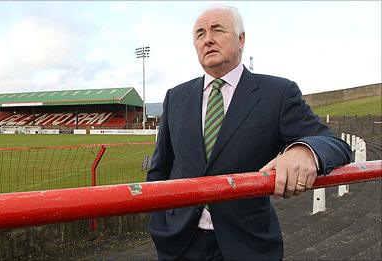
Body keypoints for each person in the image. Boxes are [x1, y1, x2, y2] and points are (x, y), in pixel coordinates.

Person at [146, 4, 351, 261]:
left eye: (217, 30)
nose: (207, 39)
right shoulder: (175, 96)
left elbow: (333, 143)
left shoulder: (278, 93)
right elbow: (160, 167)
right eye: (199, 34)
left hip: (248, 243)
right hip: (179, 241)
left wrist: (304, 151)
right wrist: (160, 222)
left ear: (241, 39)